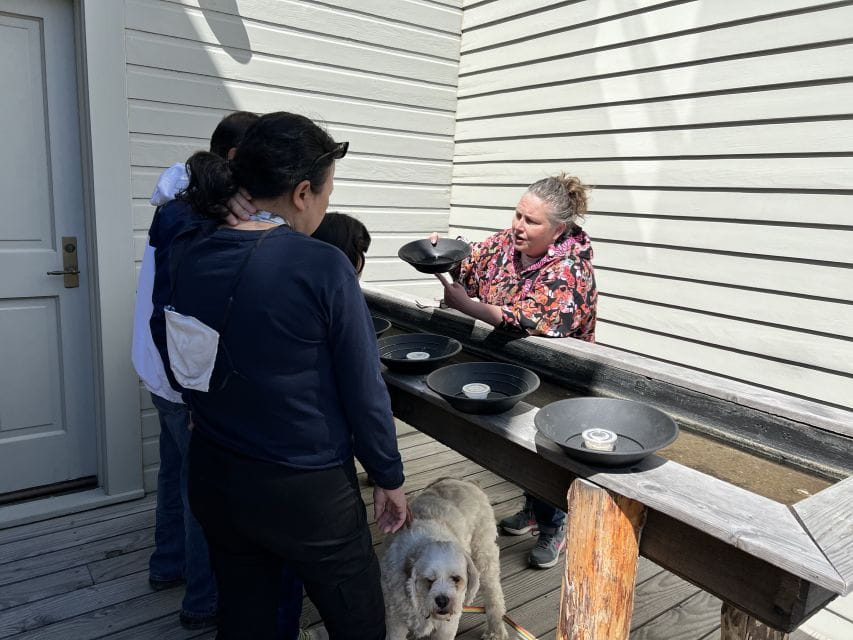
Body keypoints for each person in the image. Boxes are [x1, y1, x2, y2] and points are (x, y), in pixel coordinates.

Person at [166, 112, 407, 640]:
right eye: (325, 193)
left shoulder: (191, 251)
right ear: (302, 192)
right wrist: (387, 475)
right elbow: (364, 387)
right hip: (306, 490)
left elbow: (180, 357)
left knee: (246, 614)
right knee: (359, 621)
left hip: (216, 473)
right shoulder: (322, 265)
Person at [131, 110, 258, 630]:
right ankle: (202, 601)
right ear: (233, 159)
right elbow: (182, 313)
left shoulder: (178, 200)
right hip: (181, 376)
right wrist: (195, 395)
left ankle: (167, 565)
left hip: (157, 368)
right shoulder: (194, 217)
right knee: (200, 490)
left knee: (173, 473)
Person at [431, 173, 596, 569]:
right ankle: (535, 510)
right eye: (518, 215)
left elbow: (527, 320)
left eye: (531, 221)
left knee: (544, 451)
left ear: (558, 229)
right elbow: (472, 255)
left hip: (557, 376)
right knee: (518, 446)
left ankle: (554, 525)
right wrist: (443, 249)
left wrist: (469, 306)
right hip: (512, 365)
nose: (519, 226)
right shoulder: (507, 244)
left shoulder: (570, 270)